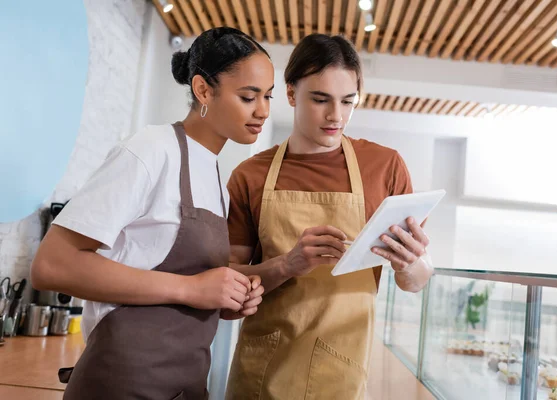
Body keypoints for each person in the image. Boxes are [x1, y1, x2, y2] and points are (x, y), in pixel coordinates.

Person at [31, 27, 273, 400]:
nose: (263, 111)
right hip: (123, 382)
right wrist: (191, 288)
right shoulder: (151, 150)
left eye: (268, 97)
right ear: (203, 90)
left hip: (184, 383)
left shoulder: (211, 173)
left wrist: (229, 296)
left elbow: (184, 284)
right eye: (248, 96)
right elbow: (52, 264)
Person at [224, 34, 434, 400]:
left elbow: (416, 280)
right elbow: (227, 287)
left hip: (343, 371)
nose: (336, 116)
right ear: (290, 94)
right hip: (263, 374)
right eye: (320, 100)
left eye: (347, 101)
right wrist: (287, 265)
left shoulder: (385, 168)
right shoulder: (250, 174)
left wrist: (409, 264)